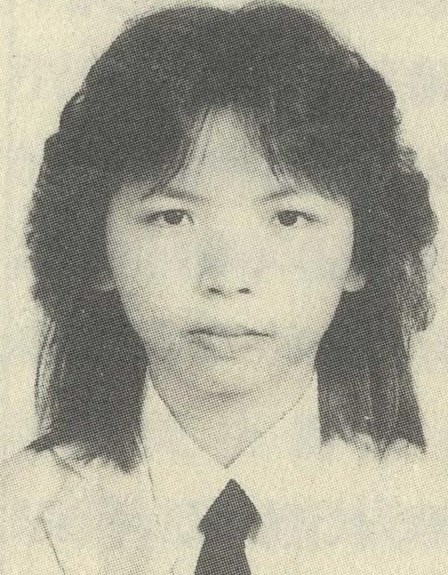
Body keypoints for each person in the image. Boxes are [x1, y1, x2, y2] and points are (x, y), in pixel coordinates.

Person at [1, 2, 446, 573]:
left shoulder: (430, 516)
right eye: (172, 217)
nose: (229, 279)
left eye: (289, 217)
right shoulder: (16, 517)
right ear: (96, 250)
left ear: (361, 252)